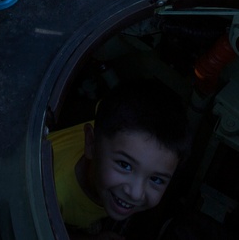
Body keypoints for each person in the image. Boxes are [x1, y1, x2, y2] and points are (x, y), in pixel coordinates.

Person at [48, 82, 189, 237]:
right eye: (125, 165)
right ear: (91, 144)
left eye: (156, 179)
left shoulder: (112, 123)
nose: (136, 193)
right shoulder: (52, 198)